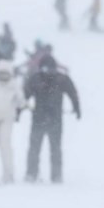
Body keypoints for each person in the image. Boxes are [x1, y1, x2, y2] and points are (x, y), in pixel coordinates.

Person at [24, 55, 80, 183]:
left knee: (52, 148)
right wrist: (18, 110)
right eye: (46, 69)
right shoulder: (38, 79)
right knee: (37, 148)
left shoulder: (59, 79)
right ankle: (33, 174)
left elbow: (73, 93)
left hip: (51, 119)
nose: (48, 72)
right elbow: (25, 95)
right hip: (43, 119)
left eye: (50, 69)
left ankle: (54, 176)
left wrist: (77, 108)